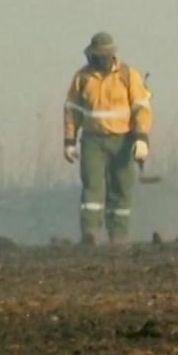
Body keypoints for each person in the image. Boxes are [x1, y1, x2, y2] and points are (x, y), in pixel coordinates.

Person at [62, 32, 153, 245]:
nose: (94, 60)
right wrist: (69, 141)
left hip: (123, 141)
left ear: (109, 55)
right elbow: (71, 110)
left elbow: (141, 108)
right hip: (92, 141)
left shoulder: (128, 75)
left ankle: (118, 235)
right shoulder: (82, 77)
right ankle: (90, 232)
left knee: (121, 189)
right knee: (92, 188)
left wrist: (141, 138)